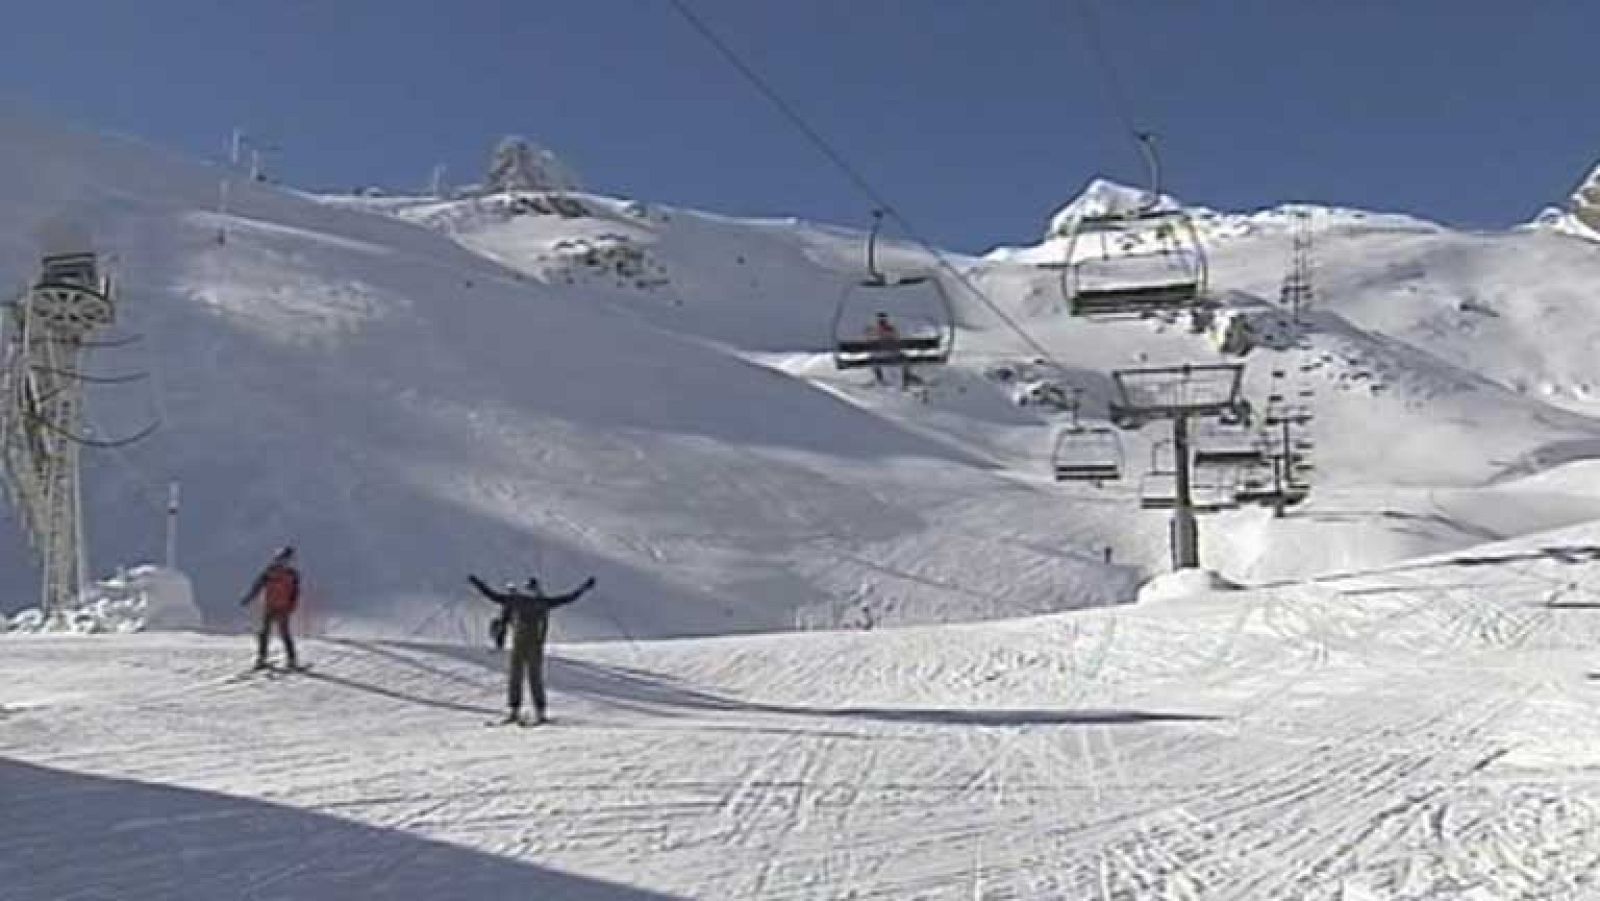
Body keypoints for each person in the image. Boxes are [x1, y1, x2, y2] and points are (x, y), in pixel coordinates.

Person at [468, 573, 596, 725]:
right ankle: (535, 711)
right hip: (531, 646)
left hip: (522, 645)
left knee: (520, 677)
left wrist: (477, 583)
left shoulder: (517, 601)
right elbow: (568, 598)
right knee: (531, 678)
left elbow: (492, 595)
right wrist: (584, 587)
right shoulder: (540, 602)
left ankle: (518, 711)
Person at [240, 546, 301, 670]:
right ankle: (262, 658)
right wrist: (248, 598)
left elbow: (295, 593)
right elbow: (257, 586)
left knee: (284, 634)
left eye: (284, 560)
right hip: (270, 607)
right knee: (264, 633)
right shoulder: (269, 572)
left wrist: (291, 606)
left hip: (283, 608)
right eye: (280, 560)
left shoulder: (292, 575)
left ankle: (291, 659)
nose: (282, 562)